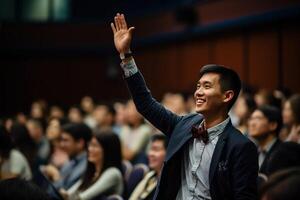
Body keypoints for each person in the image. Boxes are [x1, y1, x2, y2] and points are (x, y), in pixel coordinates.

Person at [111, 13, 258, 200]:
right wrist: (126, 57)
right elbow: (145, 104)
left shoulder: (241, 147)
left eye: (207, 86)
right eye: (198, 86)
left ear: (227, 96)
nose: (198, 92)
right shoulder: (185, 126)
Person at [60, 131, 124, 200]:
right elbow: (69, 194)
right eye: (90, 145)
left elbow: (81, 198)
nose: (90, 149)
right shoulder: (93, 172)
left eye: (95, 146)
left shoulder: (113, 173)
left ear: (108, 150)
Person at [42, 123, 92, 190]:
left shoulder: (87, 165)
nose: (61, 144)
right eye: (61, 140)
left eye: (65, 140)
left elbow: (66, 194)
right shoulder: (71, 161)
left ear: (80, 143)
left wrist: (56, 176)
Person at [129, 134, 167, 200]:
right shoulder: (150, 176)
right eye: (151, 149)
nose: (150, 154)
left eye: (156, 149)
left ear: (168, 153)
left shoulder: (167, 185)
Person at [248, 105, 282, 175]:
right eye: (251, 119)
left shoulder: (282, 152)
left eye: (258, 119)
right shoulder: (254, 151)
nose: (252, 123)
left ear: (273, 125)